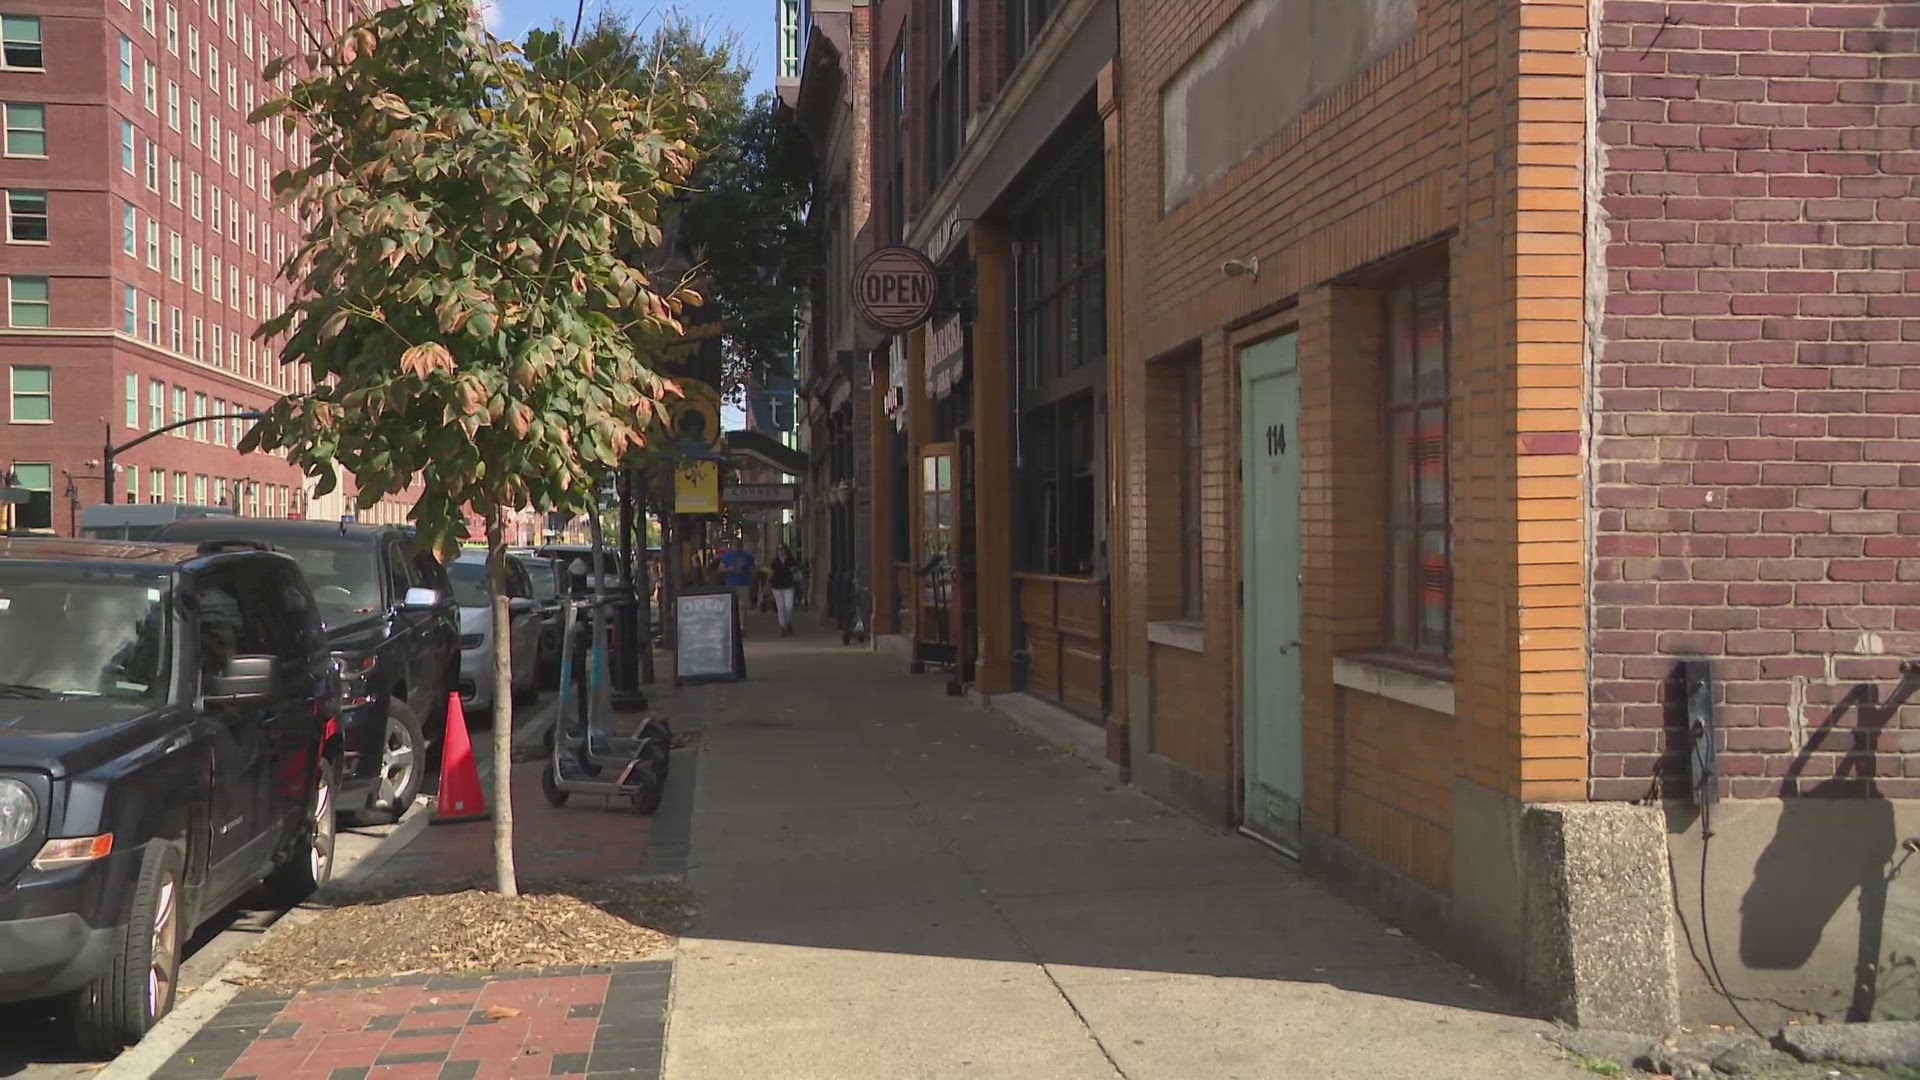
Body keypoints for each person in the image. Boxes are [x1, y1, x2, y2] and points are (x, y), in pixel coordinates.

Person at [719, 541, 755, 633]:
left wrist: (751, 575)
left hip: (744, 583)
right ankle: (733, 625)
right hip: (731, 584)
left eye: (739, 545)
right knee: (733, 606)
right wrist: (729, 569)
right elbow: (721, 569)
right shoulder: (727, 556)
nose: (737, 547)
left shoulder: (747, 556)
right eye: (735, 545)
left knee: (743, 606)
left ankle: (742, 626)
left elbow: (753, 567)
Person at [769, 545, 799, 637]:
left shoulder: (792, 561)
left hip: (788, 586)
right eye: (779, 550)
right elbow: (771, 573)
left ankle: (788, 622)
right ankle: (783, 626)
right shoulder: (775, 562)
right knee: (780, 607)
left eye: (782, 549)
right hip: (777, 586)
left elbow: (796, 572)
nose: (780, 551)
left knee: (789, 606)